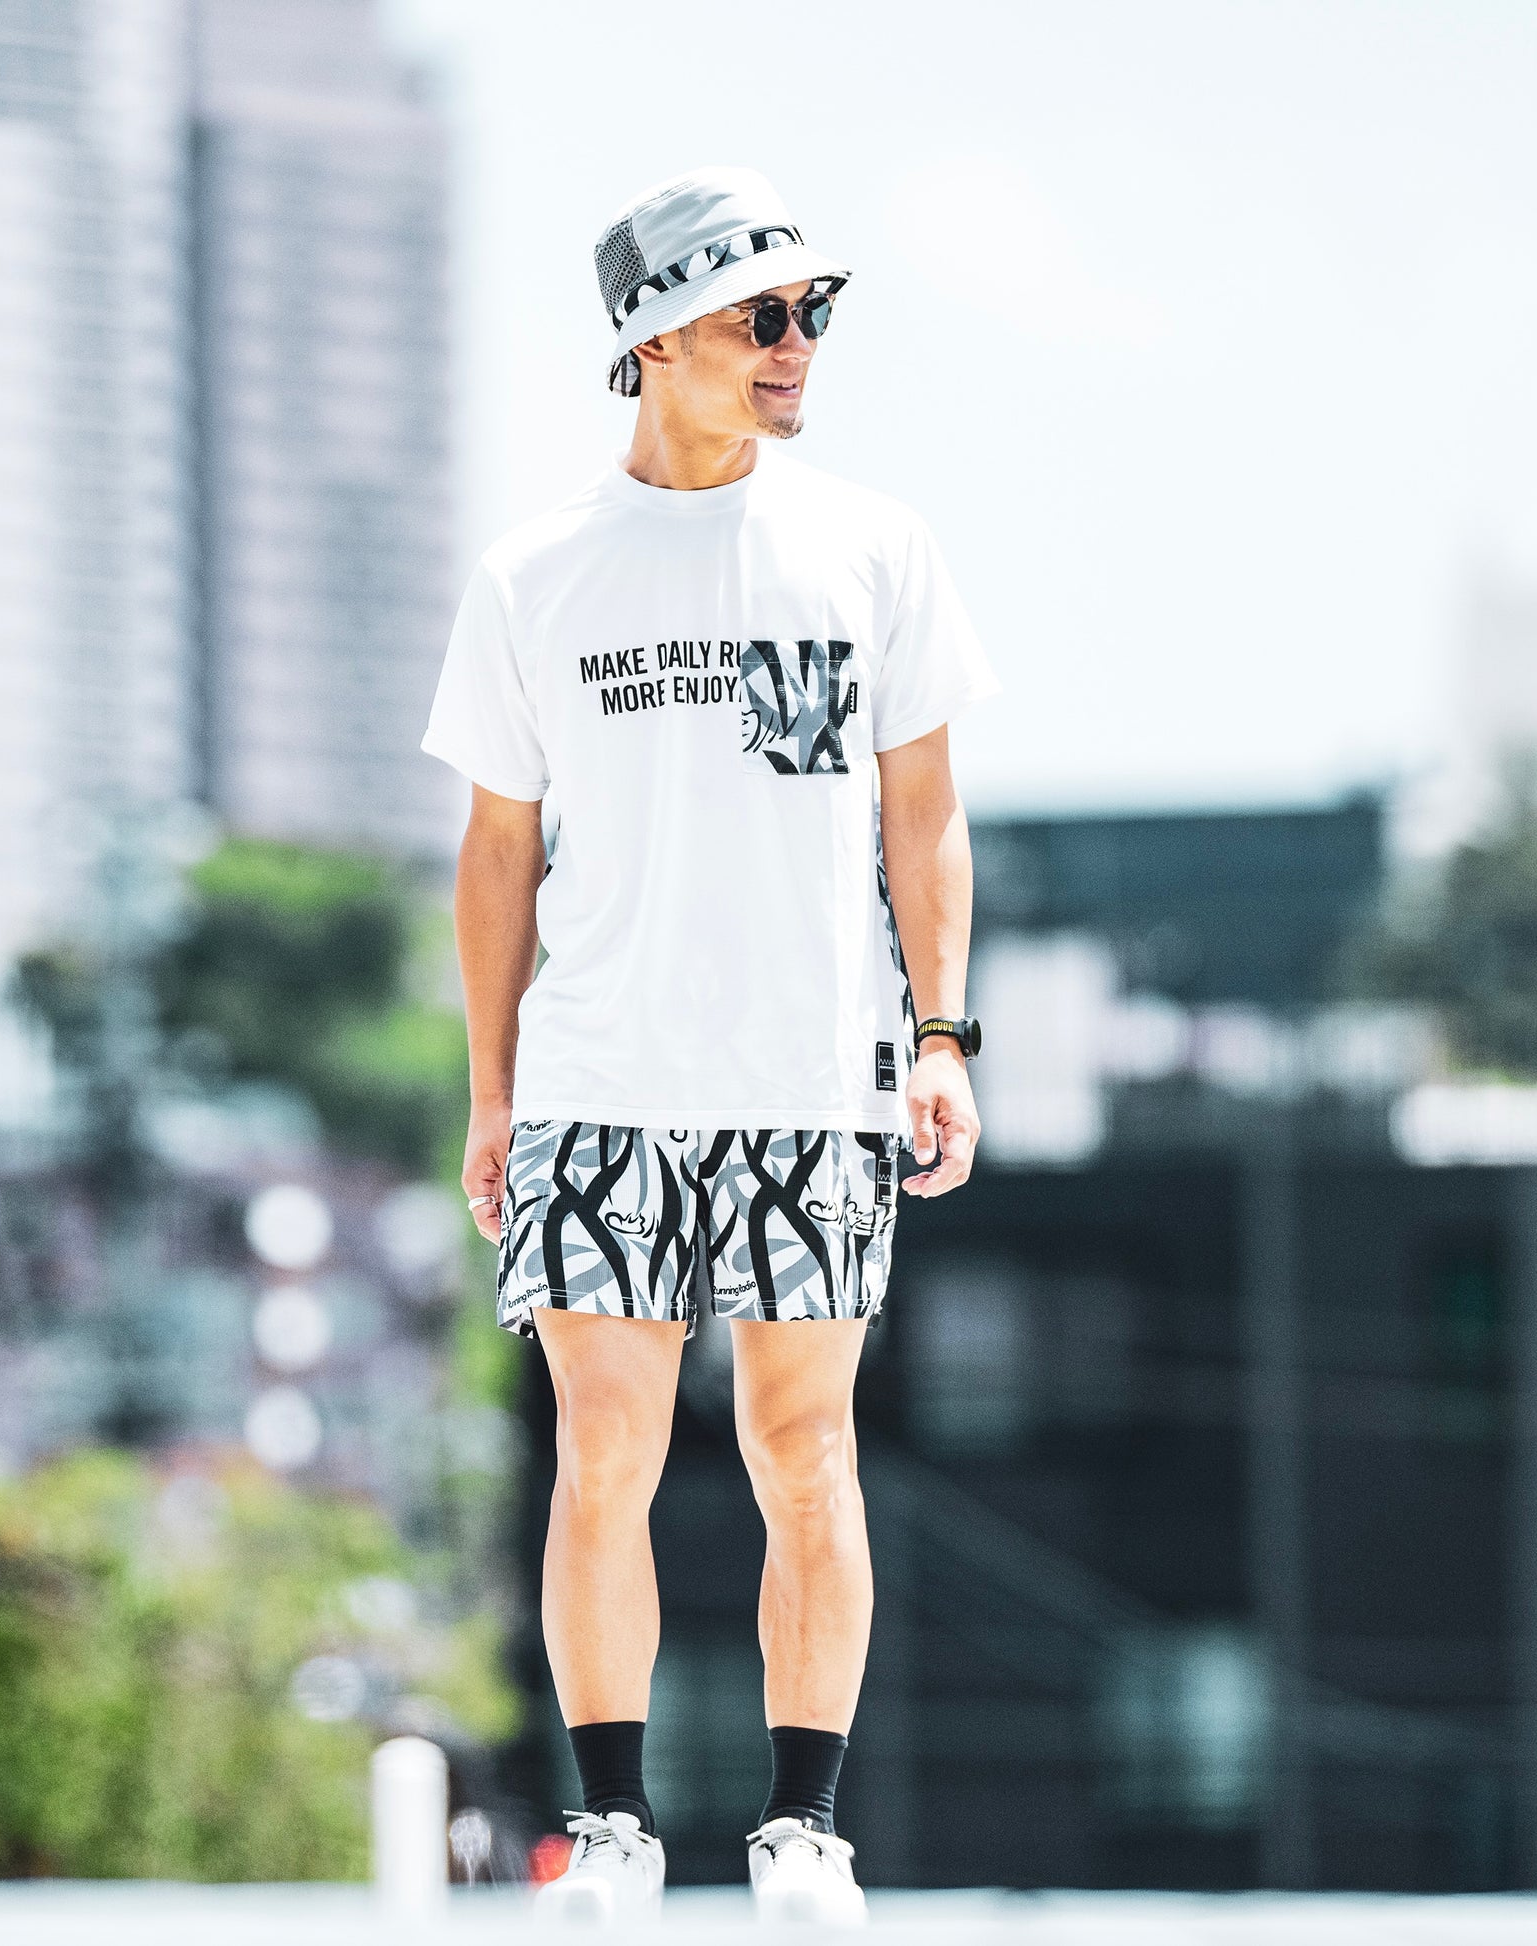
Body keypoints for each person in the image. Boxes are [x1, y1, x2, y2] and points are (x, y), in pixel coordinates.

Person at [420, 165, 998, 1926]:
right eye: (763, 316)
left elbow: (923, 816)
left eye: (811, 313)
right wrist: (492, 1093)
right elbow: (496, 854)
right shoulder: (533, 574)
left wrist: (941, 1035)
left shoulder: (871, 546)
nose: (796, 345)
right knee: (602, 1452)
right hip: (597, 1084)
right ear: (657, 337)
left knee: (801, 1451)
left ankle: (802, 1832)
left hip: (815, 1080)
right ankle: (610, 1829)